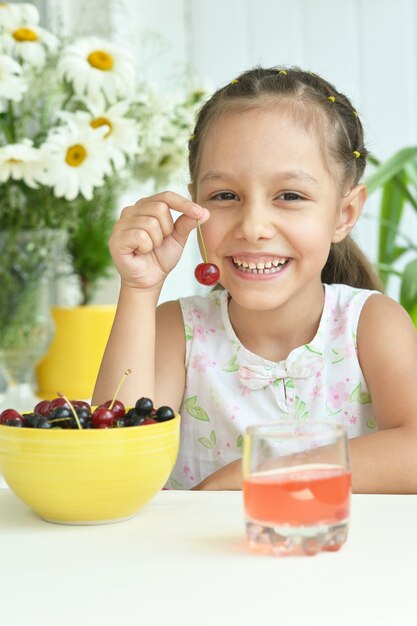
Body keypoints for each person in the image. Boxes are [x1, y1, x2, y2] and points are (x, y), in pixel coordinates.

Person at [93, 66, 417, 493]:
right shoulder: (177, 331)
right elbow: (111, 472)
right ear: (194, 207)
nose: (253, 227)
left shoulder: (371, 324)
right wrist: (139, 289)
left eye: (289, 196)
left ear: (344, 214)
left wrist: (256, 475)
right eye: (225, 196)